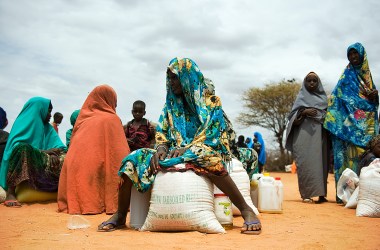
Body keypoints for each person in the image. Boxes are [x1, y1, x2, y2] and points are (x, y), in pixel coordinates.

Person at [98, 57, 261, 234]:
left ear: (187, 77)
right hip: (173, 151)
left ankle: (246, 210)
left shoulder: (211, 103)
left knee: (207, 156)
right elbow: (162, 133)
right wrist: (161, 149)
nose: (171, 82)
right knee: (132, 159)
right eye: (169, 77)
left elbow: (211, 134)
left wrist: (187, 149)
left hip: (202, 148)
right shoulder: (170, 107)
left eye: (175, 77)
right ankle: (121, 215)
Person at [57, 85, 130, 214]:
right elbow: (121, 157)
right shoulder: (112, 119)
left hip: (75, 180)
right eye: (115, 104)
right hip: (92, 177)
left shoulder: (82, 121)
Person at [324, 42, 379, 203]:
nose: (353, 57)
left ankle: (363, 197)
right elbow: (335, 99)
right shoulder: (346, 77)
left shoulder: (368, 80)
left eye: (356, 54)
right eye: (350, 54)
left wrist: (375, 98)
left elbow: (372, 106)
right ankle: (344, 196)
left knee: (363, 161)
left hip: (364, 132)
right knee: (344, 161)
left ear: (363, 55)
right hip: (345, 130)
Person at [0, 97, 66, 207]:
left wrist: (55, 154)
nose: (50, 114)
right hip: (24, 162)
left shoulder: (48, 128)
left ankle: (57, 188)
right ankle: (11, 192)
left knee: (66, 157)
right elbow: (15, 147)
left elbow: (60, 147)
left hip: (41, 163)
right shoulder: (23, 122)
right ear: (38, 109)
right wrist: (46, 152)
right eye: (48, 111)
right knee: (22, 149)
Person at [285, 72, 329, 204]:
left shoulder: (324, 99)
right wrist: (303, 112)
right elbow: (292, 117)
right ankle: (306, 195)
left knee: (322, 164)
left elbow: (329, 116)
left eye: (314, 81)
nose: (311, 83)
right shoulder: (301, 98)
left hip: (320, 136)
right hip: (303, 135)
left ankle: (321, 195)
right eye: (309, 81)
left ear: (318, 83)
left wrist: (322, 115)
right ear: (305, 83)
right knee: (305, 164)